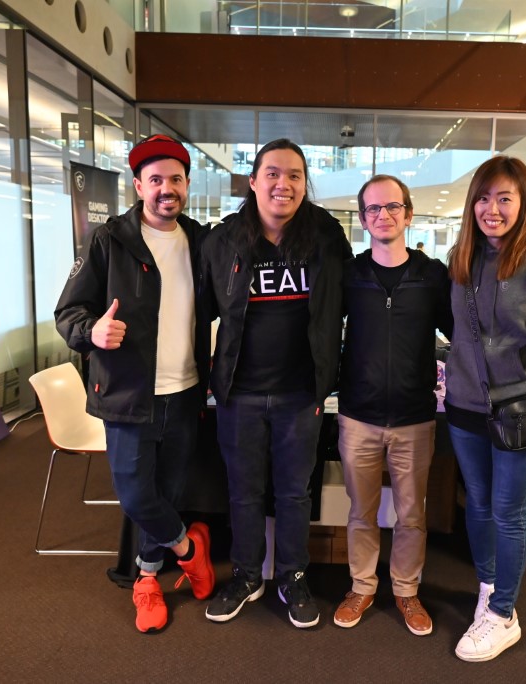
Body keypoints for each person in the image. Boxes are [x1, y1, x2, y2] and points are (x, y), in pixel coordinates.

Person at [54, 134, 214, 635]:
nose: (167, 188)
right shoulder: (109, 240)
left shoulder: (199, 241)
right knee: (136, 497)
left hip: (186, 392)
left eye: (176, 179)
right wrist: (92, 332)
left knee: (168, 491)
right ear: (139, 185)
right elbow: (67, 312)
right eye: (156, 179)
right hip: (127, 395)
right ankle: (188, 549)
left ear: (187, 184)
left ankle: (147, 580)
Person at [201, 138, 352, 629]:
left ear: (305, 185)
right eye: (272, 173)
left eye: (294, 175)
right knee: (243, 492)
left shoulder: (326, 237)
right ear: (253, 181)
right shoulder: (224, 241)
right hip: (239, 393)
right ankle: (247, 576)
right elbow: (199, 313)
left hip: (300, 394)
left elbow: (349, 303)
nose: (283, 184)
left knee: (294, 493)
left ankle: (293, 576)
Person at [443, 156, 526, 662]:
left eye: (504, 198)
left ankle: (503, 614)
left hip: (519, 405)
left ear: (523, 203)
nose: (492, 209)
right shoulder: (461, 256)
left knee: (508, 510)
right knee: (477, 503)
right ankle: (488, 587)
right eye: (483, 198)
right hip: (464, 402)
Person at [333, 175, 452, 636]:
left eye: (392, 207)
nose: (383, 215)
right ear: (363, 220)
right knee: (361, 511)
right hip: (358, 415)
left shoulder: (432, 275)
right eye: (373, 209)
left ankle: (406, 590)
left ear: (408, 214)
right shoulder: (350, 275)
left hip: (414, 417)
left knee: (411, 514)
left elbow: (460, 332)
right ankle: (361, 586)